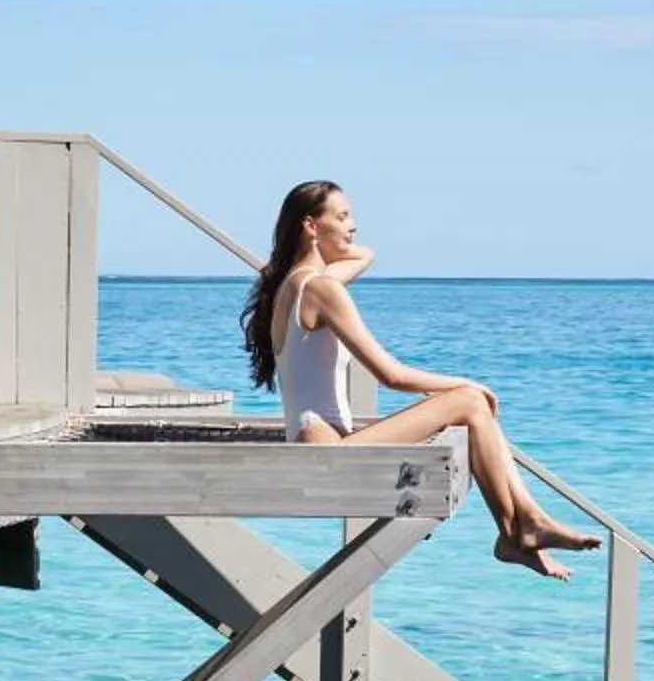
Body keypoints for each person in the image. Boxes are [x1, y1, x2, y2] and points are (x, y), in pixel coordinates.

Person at [237, 179, 599, 578]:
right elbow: (389, 375)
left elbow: (364, 254)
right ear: (310, 225)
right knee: (470, 401)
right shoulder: (323, 289)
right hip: (327, 457)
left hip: (317, 445)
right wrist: (465, 384)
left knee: (470, 405)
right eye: (341, 216)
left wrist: (331, 239)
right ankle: (521, 528)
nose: (353, 226)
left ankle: (524, 523)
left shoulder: (294, 283)